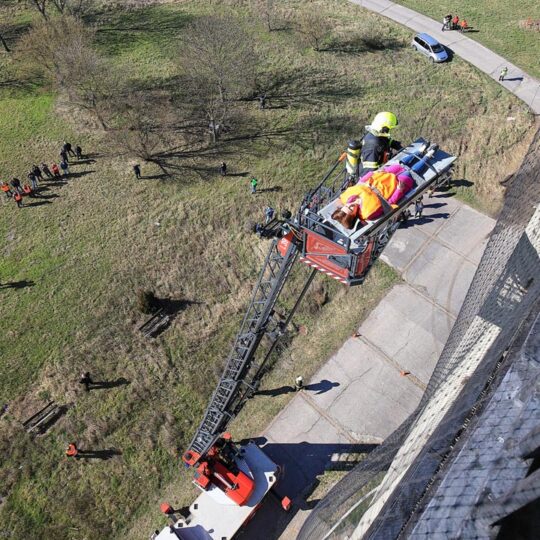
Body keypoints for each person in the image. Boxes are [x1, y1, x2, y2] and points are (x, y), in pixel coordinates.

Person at [359, 112, 401, 176]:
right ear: (384, 129)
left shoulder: (376, 134)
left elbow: (387, 141)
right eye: (389, 129)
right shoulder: (373, 147)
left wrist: (402, 148)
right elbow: (369, 173)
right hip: (368, 178)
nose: (389, 131)